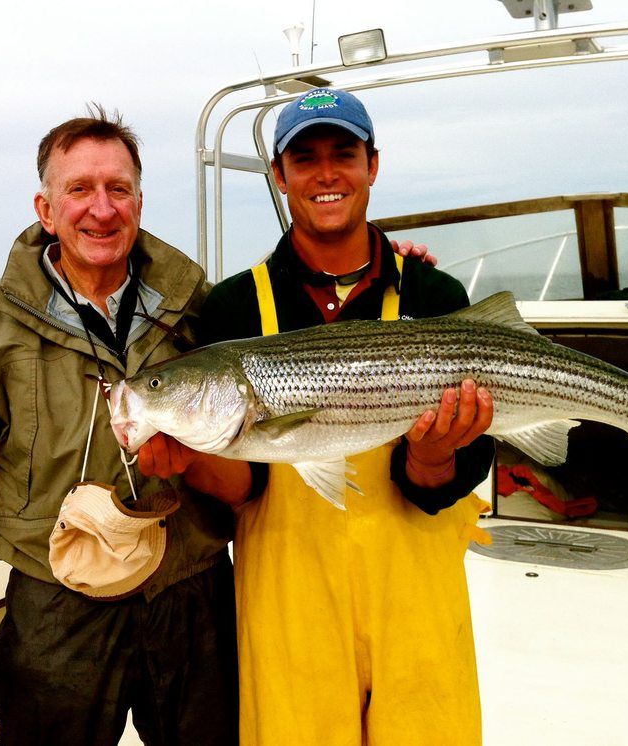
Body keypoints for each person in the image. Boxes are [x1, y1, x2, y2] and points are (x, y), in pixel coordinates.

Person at [0, 109, 249, 746]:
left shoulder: (200, 304)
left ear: (140, 203)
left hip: (191, 593)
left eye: (118, 189)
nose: (102, 209)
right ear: (46, 208)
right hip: (56, 599)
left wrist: (387, 264)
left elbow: (297, 366)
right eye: (79, 189)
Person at [197, 88, 497, 744]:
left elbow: (476, 455)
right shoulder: (231, 309)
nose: (326, 173)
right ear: (279, 175)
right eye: (304, 159)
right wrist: (185, 453)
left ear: (373, 165)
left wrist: (432, 457)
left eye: (344, 154)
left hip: (415, 599)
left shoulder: (434, 293)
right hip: (290, 607)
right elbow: (239, 489)